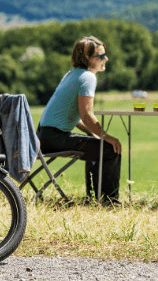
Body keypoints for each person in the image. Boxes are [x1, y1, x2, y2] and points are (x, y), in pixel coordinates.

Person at [38, 36, 122, 203]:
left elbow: (75, 117)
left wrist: (96, 134)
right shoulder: (88, 77)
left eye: (105, 54)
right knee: (111, 149)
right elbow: (87, 115)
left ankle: (95, 197)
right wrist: (107, 137)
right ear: (86, 58)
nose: (105, 59)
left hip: (44, 136)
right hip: (54, 137)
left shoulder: (72, 74)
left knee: (97, 144)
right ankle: (109, 201)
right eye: (100, 56)